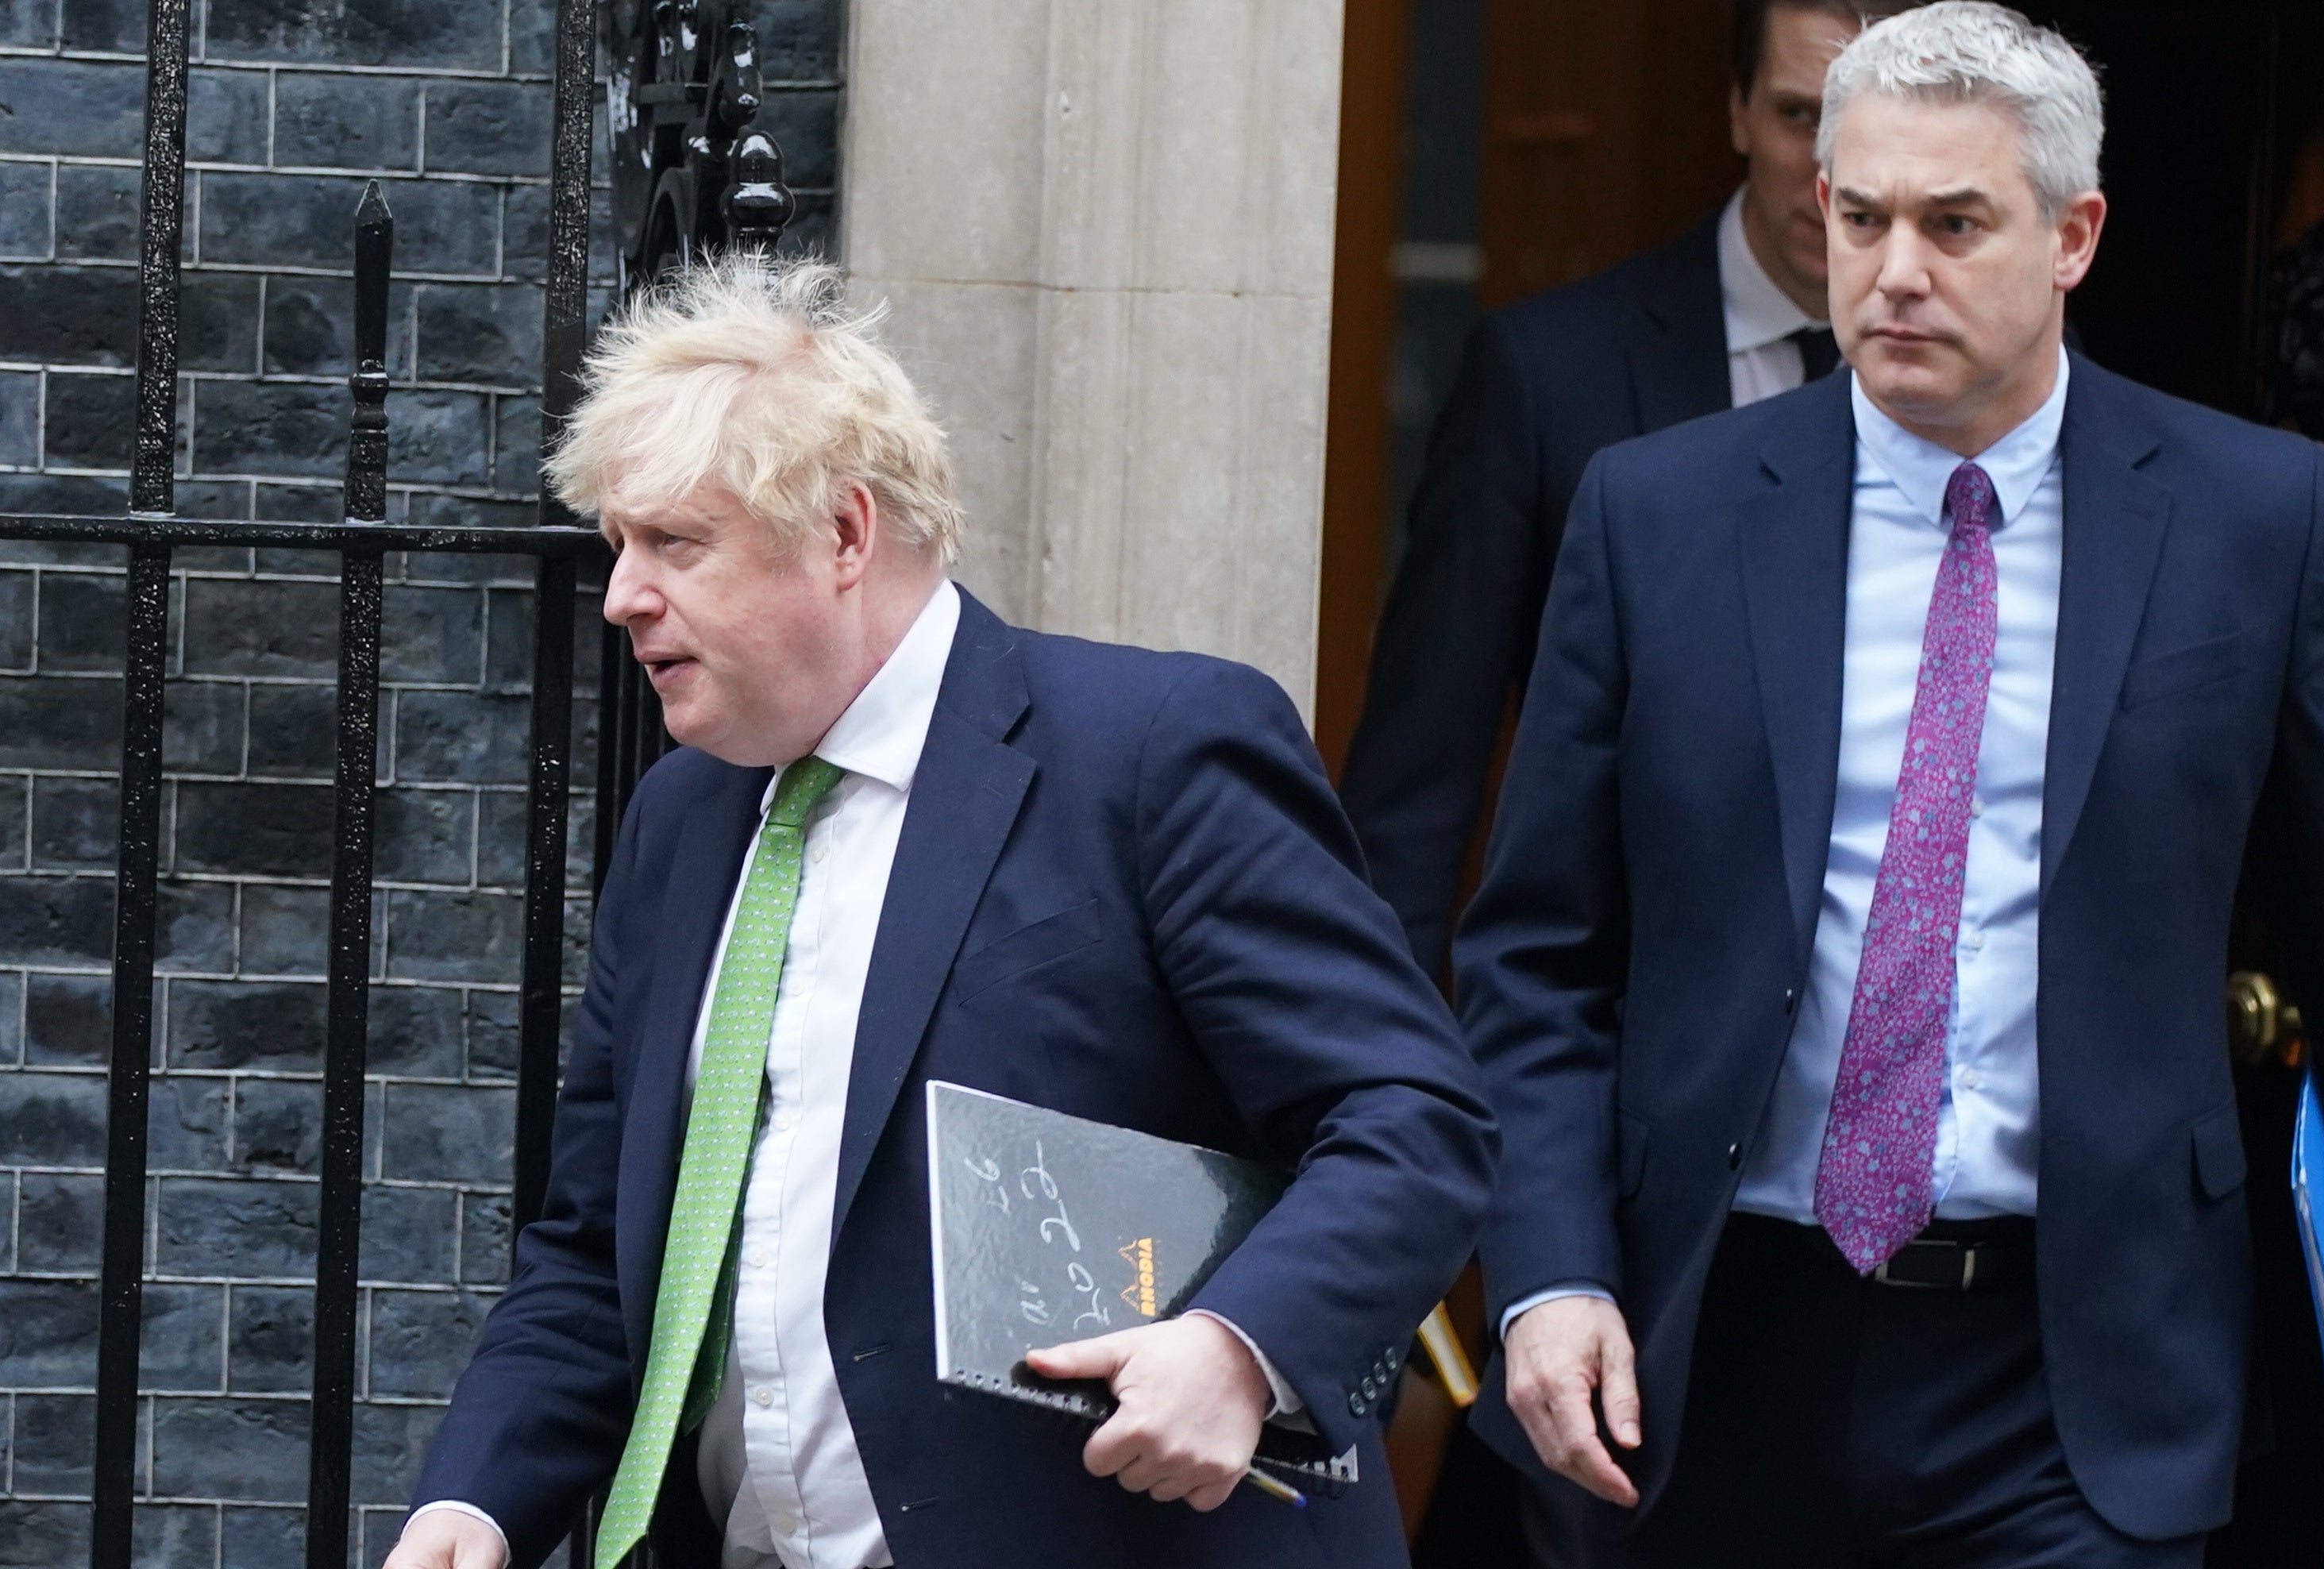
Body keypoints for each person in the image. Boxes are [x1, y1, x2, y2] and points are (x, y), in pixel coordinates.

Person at [383, 256, 1497, 1569]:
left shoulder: (1152, 754)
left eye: (675, 542)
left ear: (845, 535)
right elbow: (596, 1251)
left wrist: (1239, 1346)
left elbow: (1413, 1121)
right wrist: (472, 1500)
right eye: (619, 544)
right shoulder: (680, 822)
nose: (624, 591)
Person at [1459, 3, 2324, 1563]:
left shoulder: (2249, 515)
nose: (1894, 271)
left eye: (1955, 223)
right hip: (1710, 1340)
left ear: (2072, 234)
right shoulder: (1657, 517)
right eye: (1859, 216)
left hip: (2081, 1372)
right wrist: (1545, 1274)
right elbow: (1536, 954)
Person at [1342, 0, 1919, 981]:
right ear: (1734, 111)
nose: (1838, 173)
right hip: (1619, 1045)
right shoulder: (1548, 377)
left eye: (1879, 122)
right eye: (1797, 116)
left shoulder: (2008, 387)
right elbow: (1415, 791)